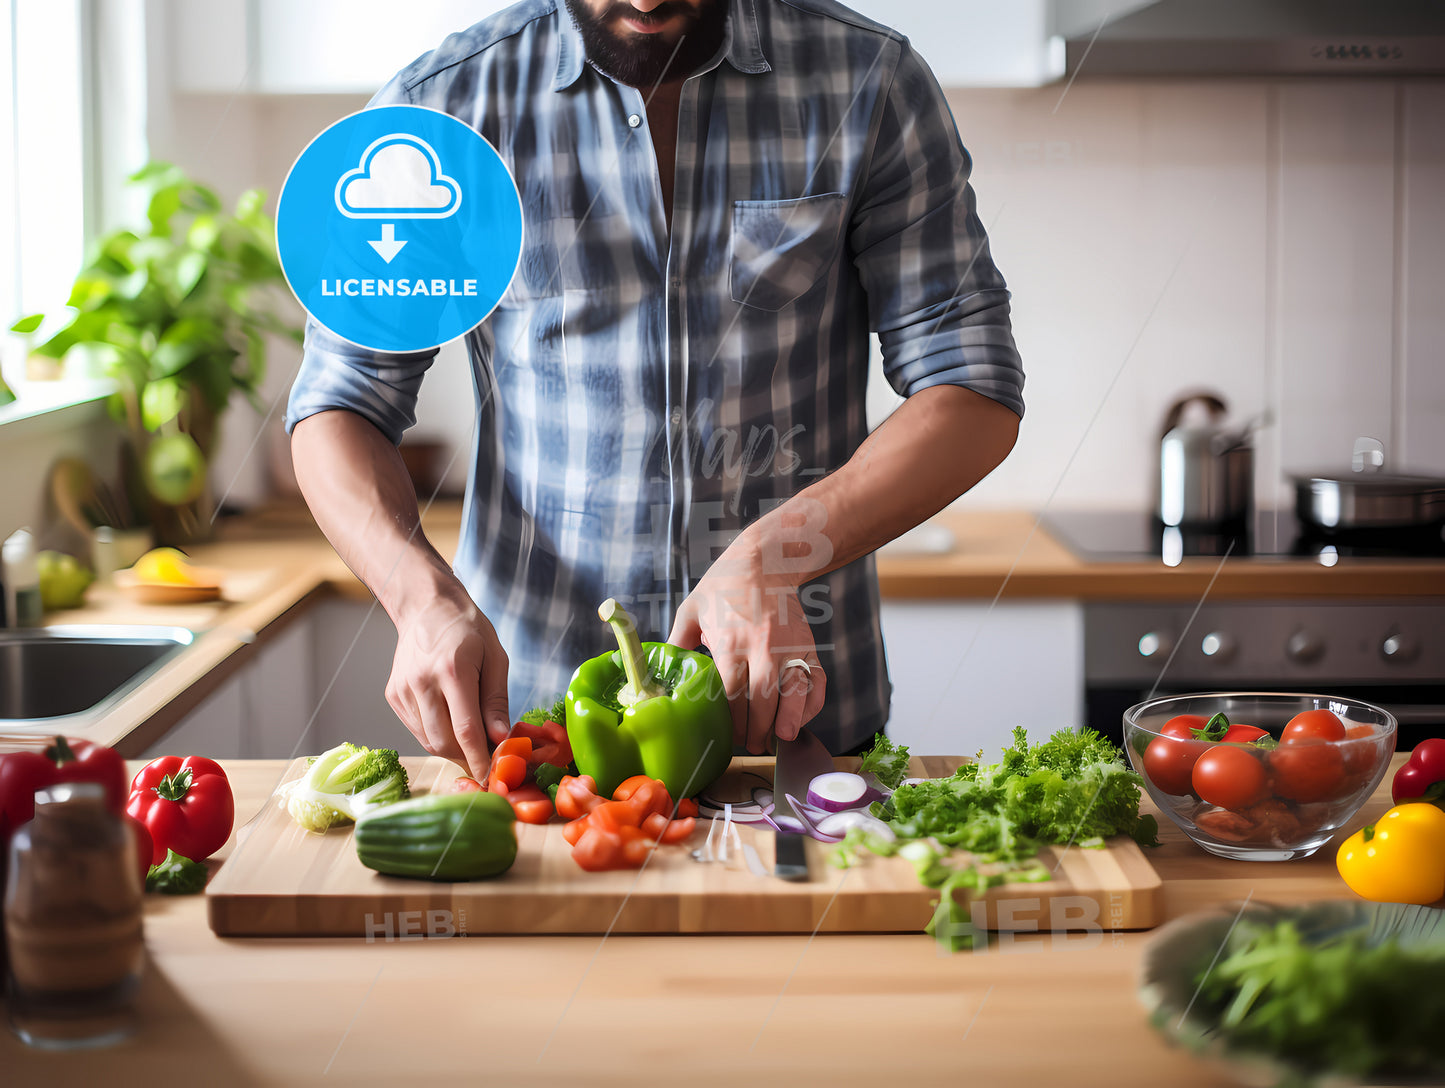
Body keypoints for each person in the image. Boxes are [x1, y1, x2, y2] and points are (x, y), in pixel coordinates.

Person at [286, 0, 1024, 778]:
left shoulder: (870, 80)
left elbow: (970, 383)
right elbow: (340, 402)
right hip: (534, 734)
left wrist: (774, 557)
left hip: (794, 720)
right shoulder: (442, 106)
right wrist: (419, 599)